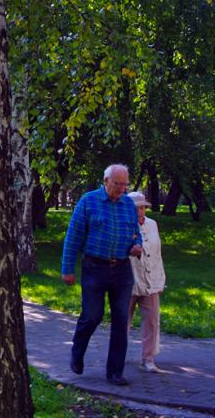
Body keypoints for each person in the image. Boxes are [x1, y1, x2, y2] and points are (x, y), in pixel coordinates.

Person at [61, 164, 143, 386]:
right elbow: (73, 237)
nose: (122, 189)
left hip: (122, 269)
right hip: (95, 268)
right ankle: (77, 352)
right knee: (92, 315)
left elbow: (136, 233)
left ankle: (115, 372)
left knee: (120, 319)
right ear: (105, 181)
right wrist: (67, 269)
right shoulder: (88, 202)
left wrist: (137, 245)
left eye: (125, 185)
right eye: (118, 184)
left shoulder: (128, 204)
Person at [126, 191, 166, 373]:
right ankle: (118, 356)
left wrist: (160, 279)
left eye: (142, 208)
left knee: (152, 321)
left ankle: (148, 358)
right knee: (122, 321)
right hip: (128, 280)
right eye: (136, 208)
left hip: (151, 281)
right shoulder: (123, 224)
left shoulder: (152, 224)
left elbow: (157, 254)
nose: (140, 212)